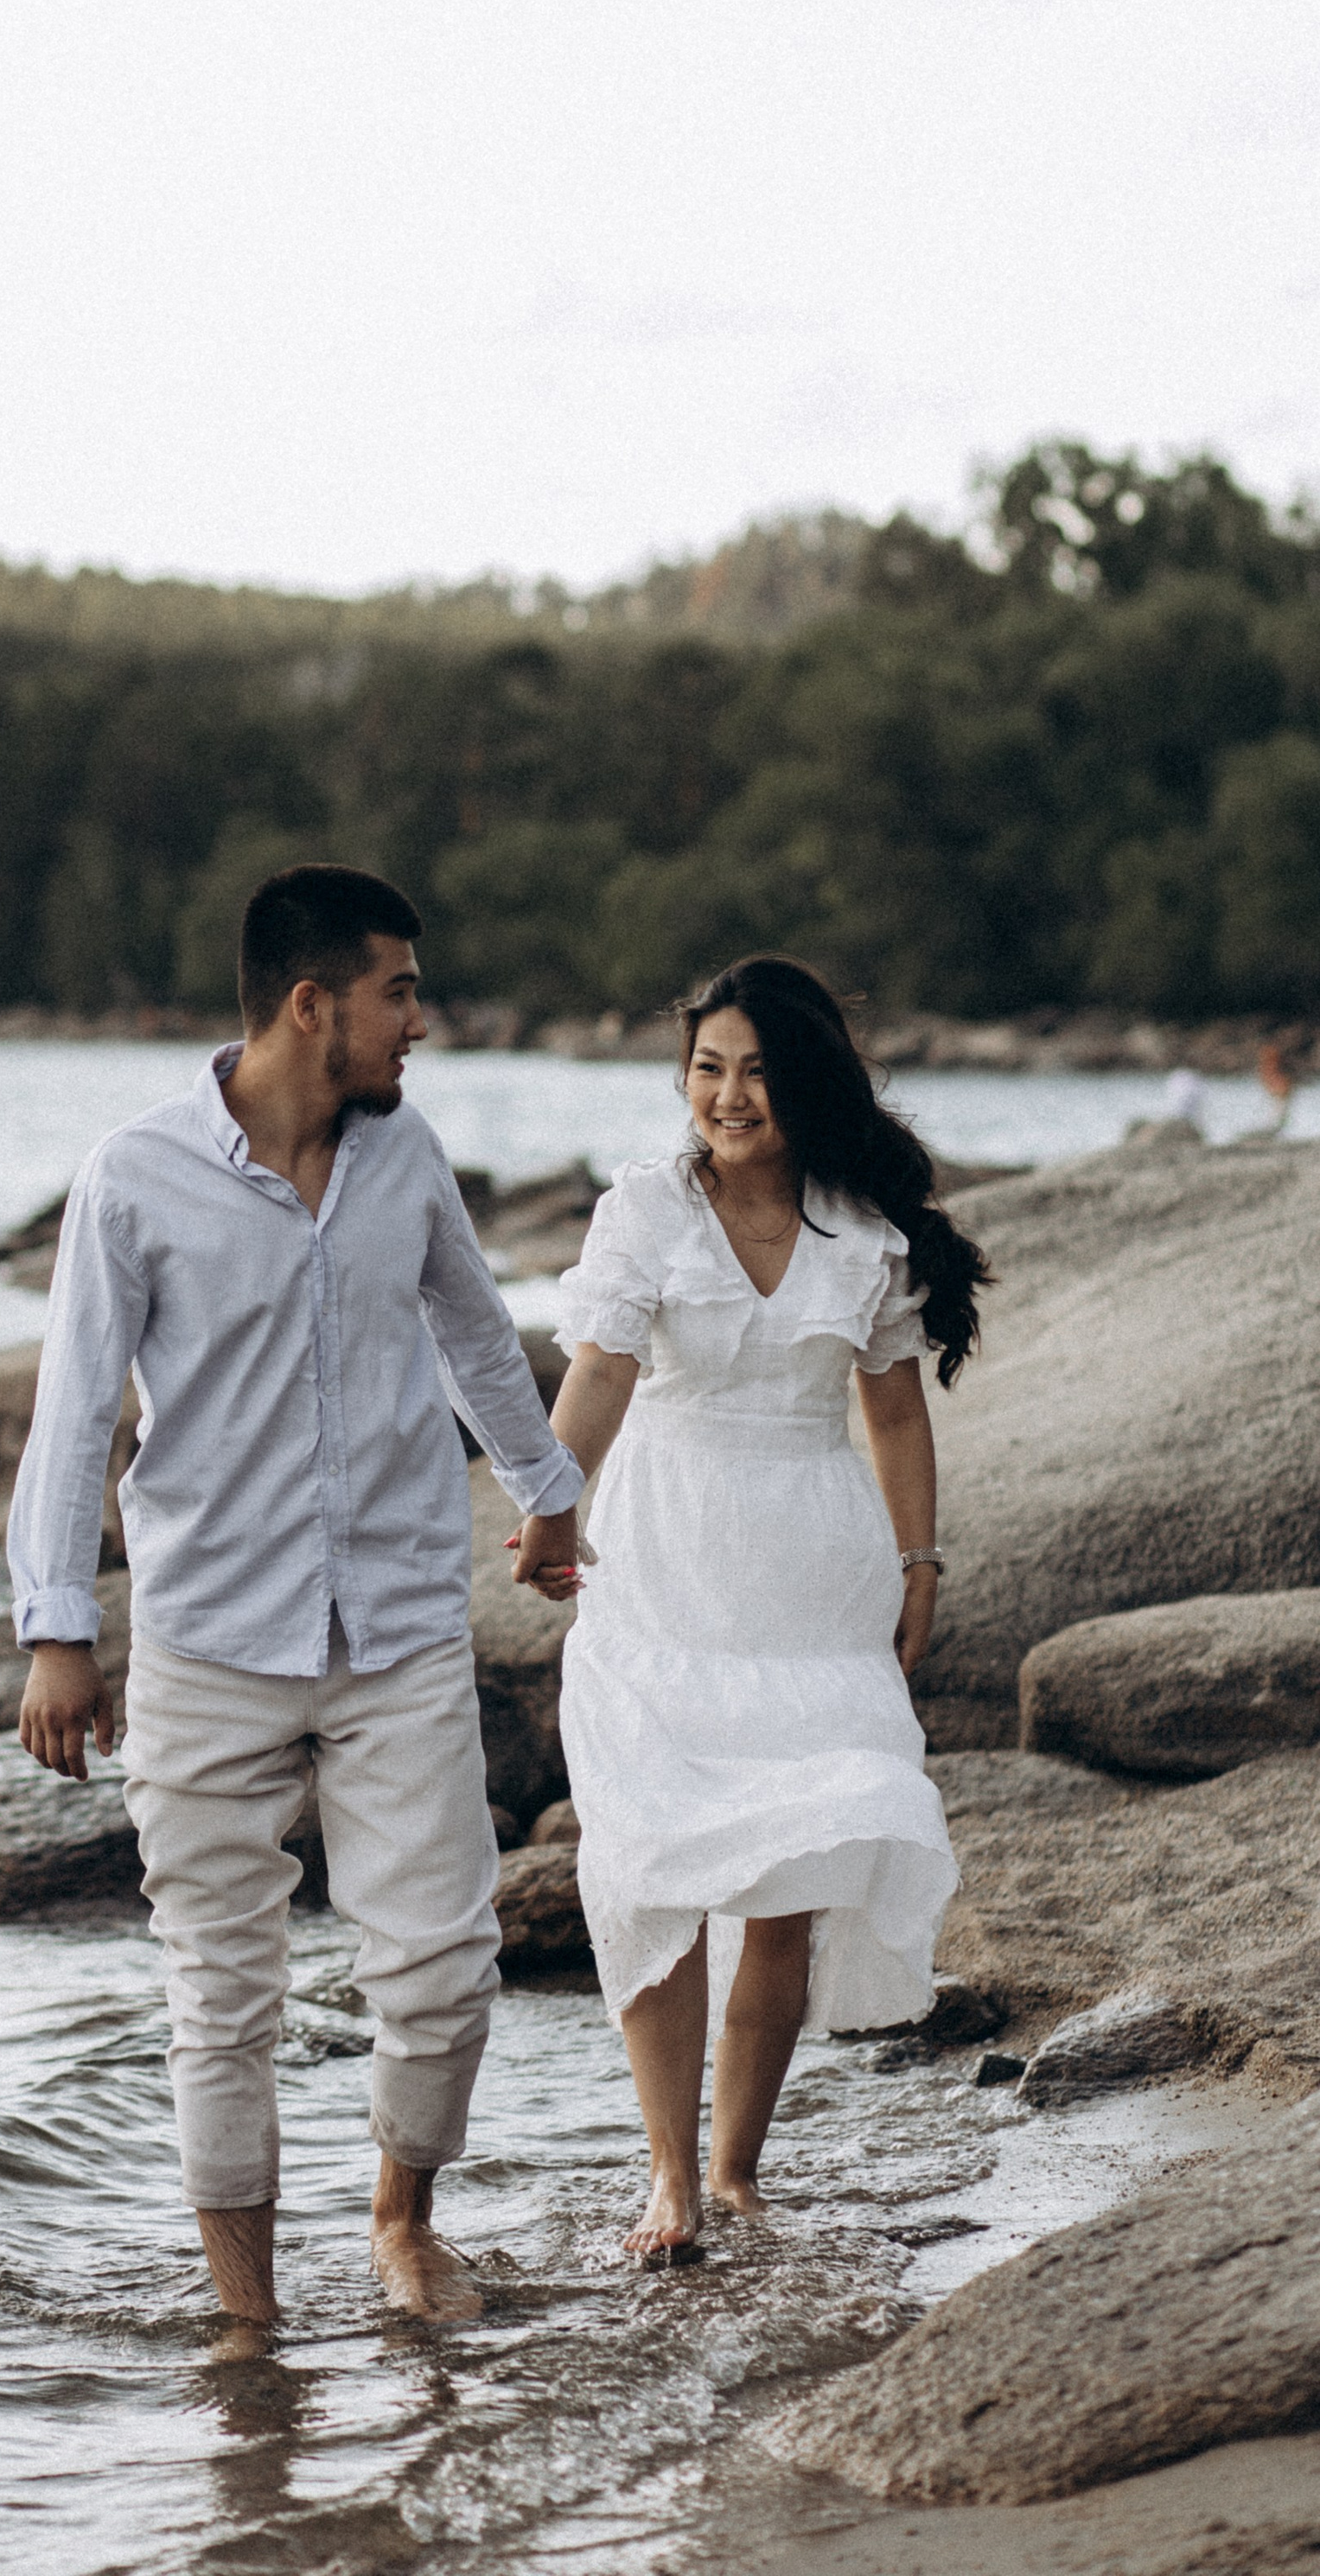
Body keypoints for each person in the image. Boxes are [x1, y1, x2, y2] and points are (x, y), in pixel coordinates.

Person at [9, 864, 582, 2344]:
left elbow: (471, 1327)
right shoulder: (136, 1175)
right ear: (313, 1005)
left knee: (448, 1968)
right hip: (208, 1639)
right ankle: (250, 2319)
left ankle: (401, 2222)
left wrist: (548, 1485)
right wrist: (57, 1628)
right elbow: (75, 1409)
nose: (421, 1023)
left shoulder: (407, 1157)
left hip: (393, 1627)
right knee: (223, 1999)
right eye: (401, 991)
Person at [545, 954, 986, 2261]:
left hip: (813, 1575)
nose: (728, 1097)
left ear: (805, 1081)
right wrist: (551, 1502)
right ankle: (670, 2179)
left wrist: (920, 1565)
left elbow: (893, 1409)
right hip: (662, 1566)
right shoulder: (642, 1213)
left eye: (754, 1070)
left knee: (792, 1869)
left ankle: (738, 2170)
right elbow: (601, 1373)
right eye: (706, 1069)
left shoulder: (868, 1230)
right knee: (652, 1863)